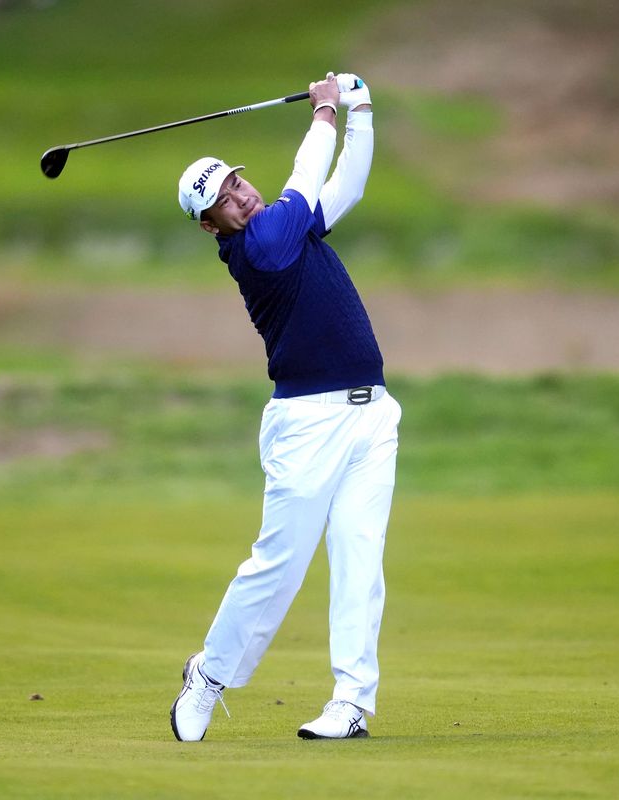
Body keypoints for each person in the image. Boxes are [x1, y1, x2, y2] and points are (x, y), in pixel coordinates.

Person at [170, 73, 401, 742]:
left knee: (361, 560)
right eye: (223, 199)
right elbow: (307, 177)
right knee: (280, 564)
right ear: (210, 225)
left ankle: (350, 703)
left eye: (237, 182)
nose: (240, 195)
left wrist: (360, 111)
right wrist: (325, 112)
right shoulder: (259, 247)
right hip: (308, 422)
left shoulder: (288, 227)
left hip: (372, 414)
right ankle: (210, 675)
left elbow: (344, 187)